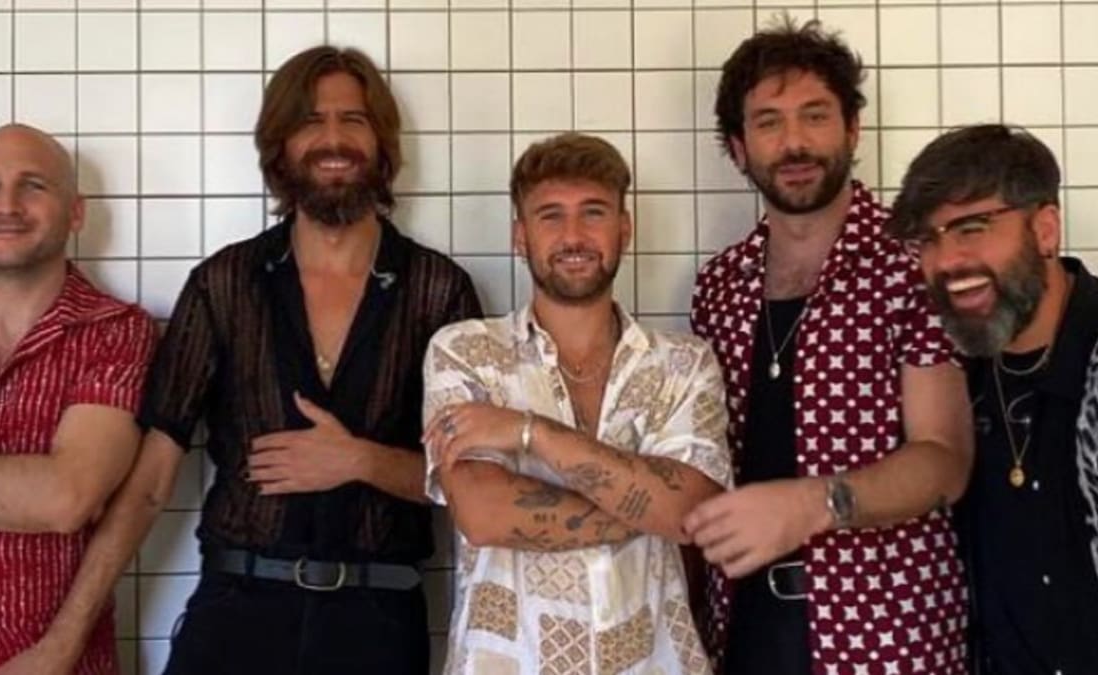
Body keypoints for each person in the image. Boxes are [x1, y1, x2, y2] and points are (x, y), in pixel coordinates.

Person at [0, 46, 482, 674]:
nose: (333, 139)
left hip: (378, 623)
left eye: (353, 119)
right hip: (237, 612)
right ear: (280, 146)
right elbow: (149, 484)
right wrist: (63, 642)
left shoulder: (438, 290)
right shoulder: (224, 284)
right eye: (310, 121)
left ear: (382, 142)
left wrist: (360, 460)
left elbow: (474, 482)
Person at [684, 19, 973, 674]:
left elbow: (944, 460)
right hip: (743, 628)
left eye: (815, 115)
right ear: (739, 148)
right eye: (769, 122)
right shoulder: (720, 284)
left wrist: (814, 504)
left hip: (887, 633)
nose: (794, 142)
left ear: (852, 128)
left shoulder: (912, 266)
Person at [423, 132, 731, 674]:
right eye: (550, 216)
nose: (573, 236)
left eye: (593, 212)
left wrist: (531, 433)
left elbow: (693, 514)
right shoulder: (465, 352)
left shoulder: (684, 363)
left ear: (624, 228)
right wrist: (649, 506)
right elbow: (484, 515)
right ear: (520, 236)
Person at [0, 123, 157, 674]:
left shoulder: (119, 330)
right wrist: (28, 495)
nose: (8, 205)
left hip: (51, 663)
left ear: (76, 212)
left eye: (34, 185)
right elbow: (59, 500)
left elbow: (66, 500)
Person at [888, 123, 1098, 674]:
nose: (946, 261)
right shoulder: (961, 376)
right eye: (928, 239)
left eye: (971, 228)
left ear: (1045, 229)